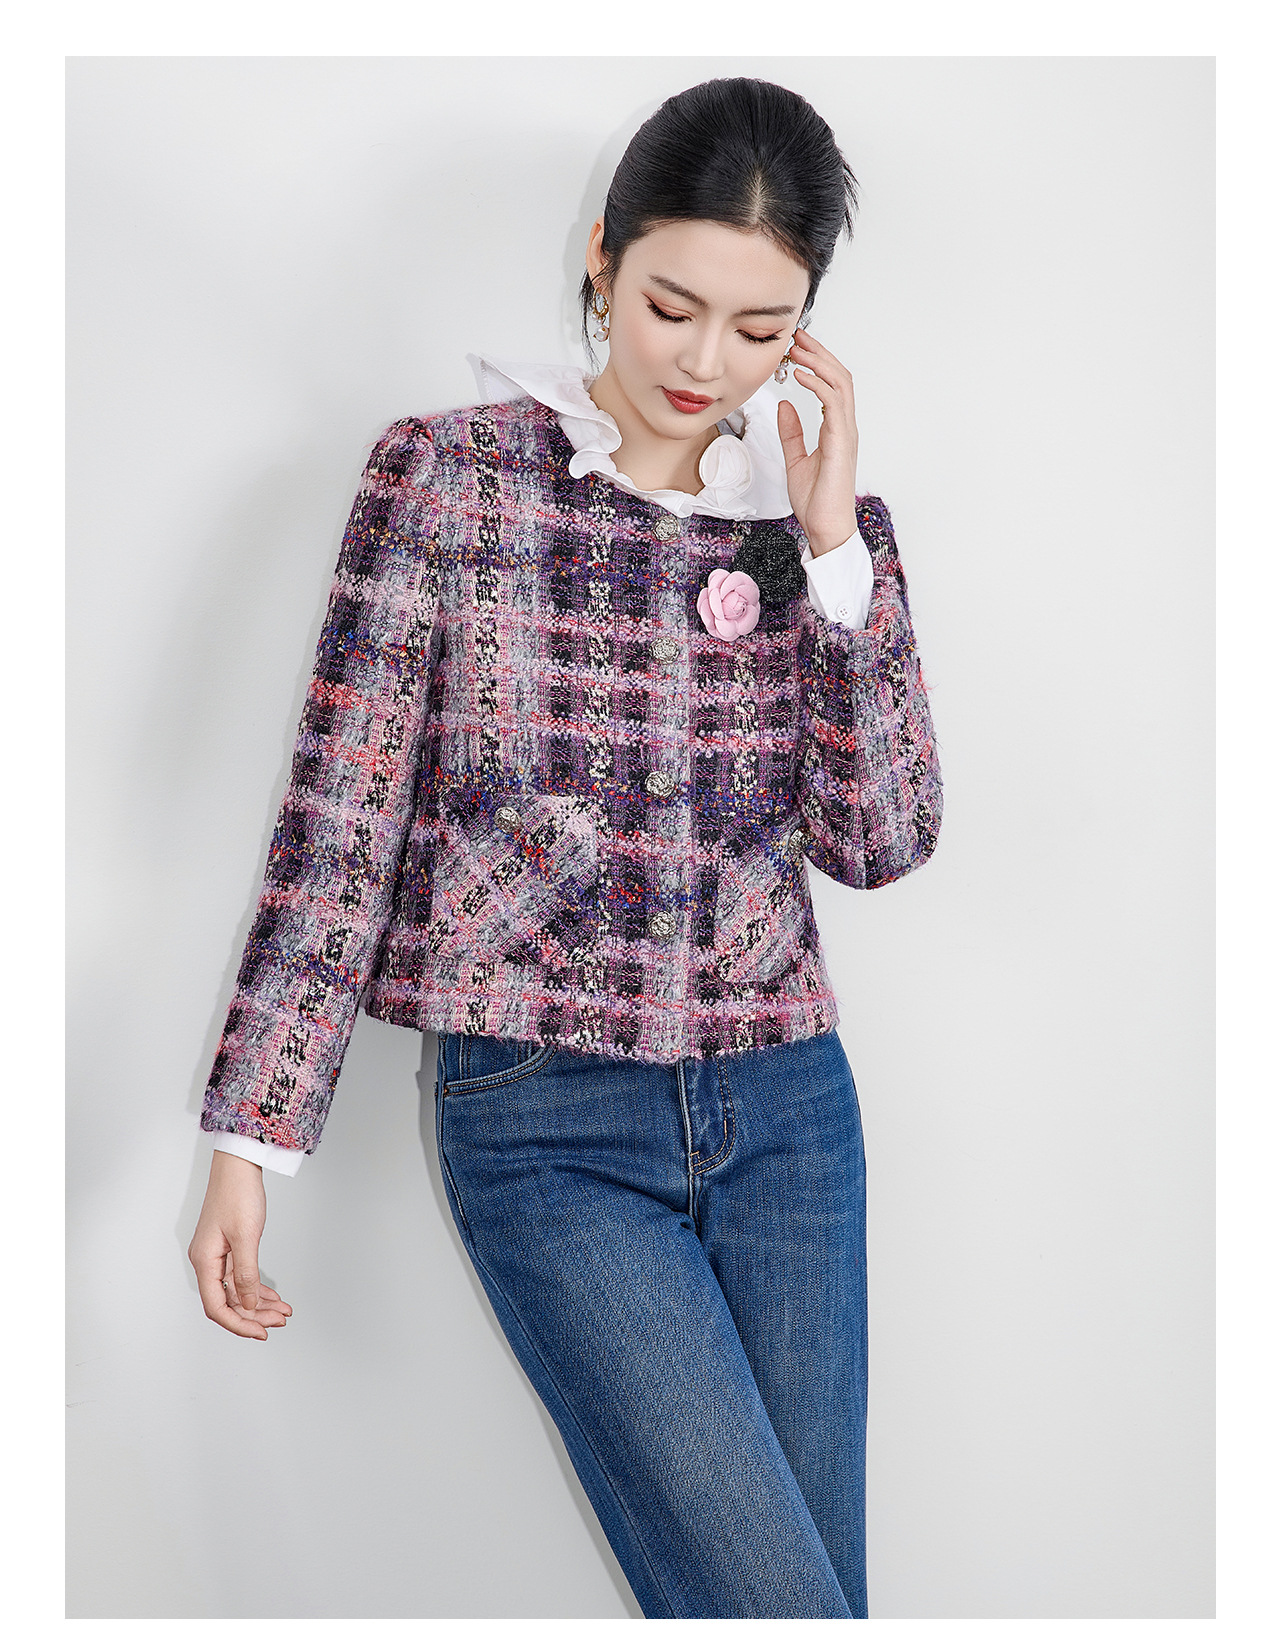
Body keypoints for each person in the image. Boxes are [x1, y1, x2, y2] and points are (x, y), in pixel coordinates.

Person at [188, 76, 943, 1619]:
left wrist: (832, 558)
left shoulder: (816, 528)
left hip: (790, 1110)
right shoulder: (448, 476)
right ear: (602, 254)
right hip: (544, 1120)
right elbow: (341, 817)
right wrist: (252, 1137)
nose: (704, 363)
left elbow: (881, 840)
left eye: (760, 327)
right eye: (672, 304)